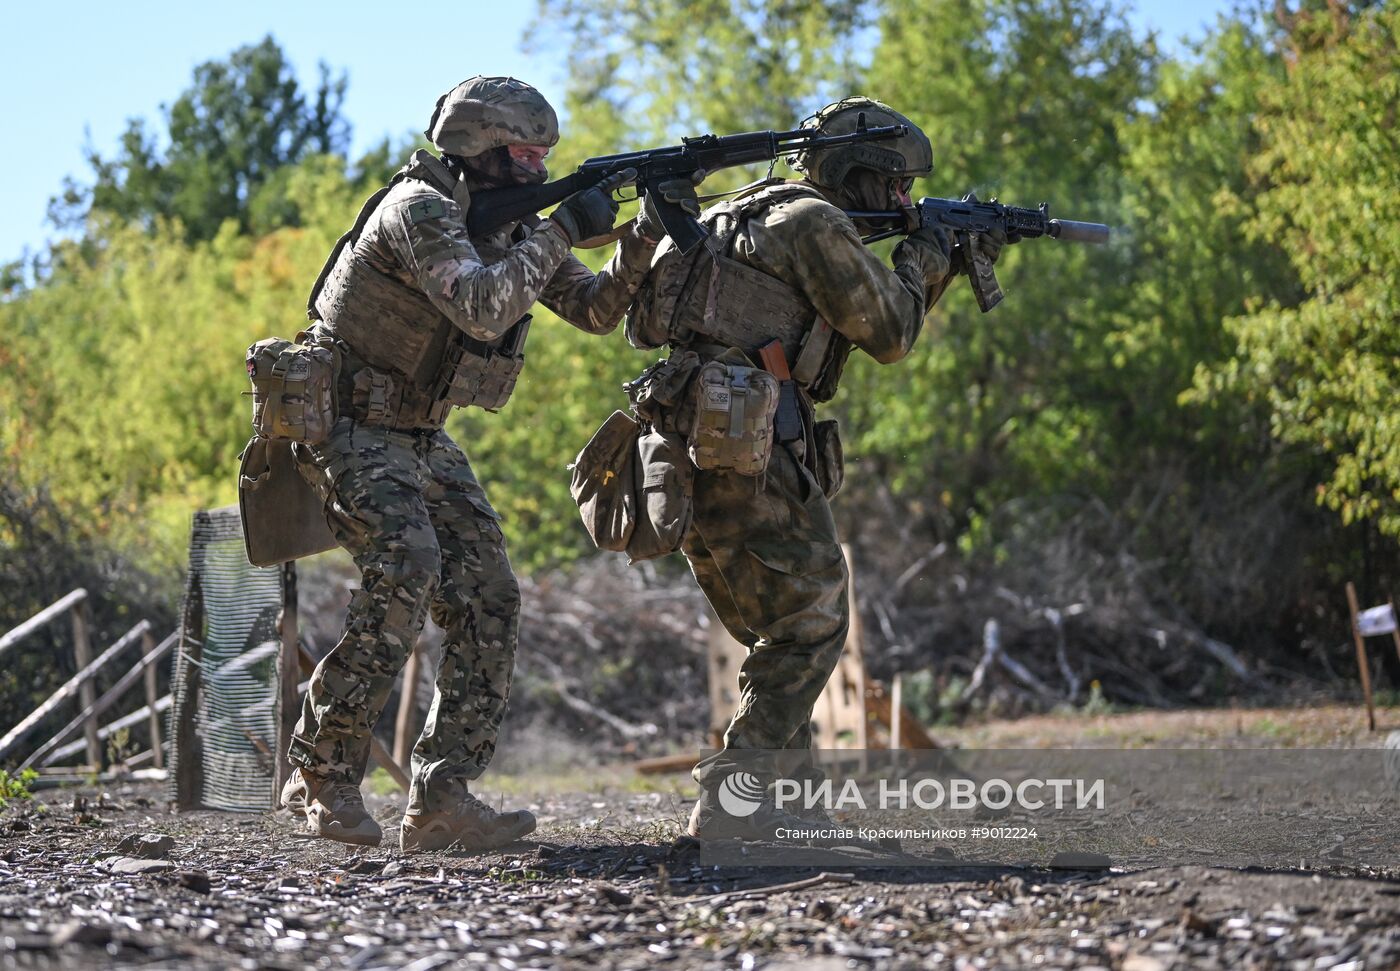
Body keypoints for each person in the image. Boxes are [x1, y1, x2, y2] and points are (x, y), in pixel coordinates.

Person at [282, 76, 674, 851]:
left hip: (420, 431)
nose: (537, 167)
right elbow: (485, 306)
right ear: (478, 149)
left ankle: (441, 796)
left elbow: (596, 311)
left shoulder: (507, 223)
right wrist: (562, 228)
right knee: (408, 570)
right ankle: (321, 774)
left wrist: (642, 237)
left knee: (490, 593)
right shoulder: (418, 210)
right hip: (348, 422)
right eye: (525, 153)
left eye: (543, 156)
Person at [622, 97, 1006, 839]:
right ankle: (736, 794)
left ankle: (790, 808)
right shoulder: (812, 222)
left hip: (686, 443)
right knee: (816, 619)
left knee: (782, 628)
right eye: (894, 188)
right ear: (858, 175)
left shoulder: (736, 214)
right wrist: (928, 256)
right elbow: (890, 332)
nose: (902, 201)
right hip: (743, 442)